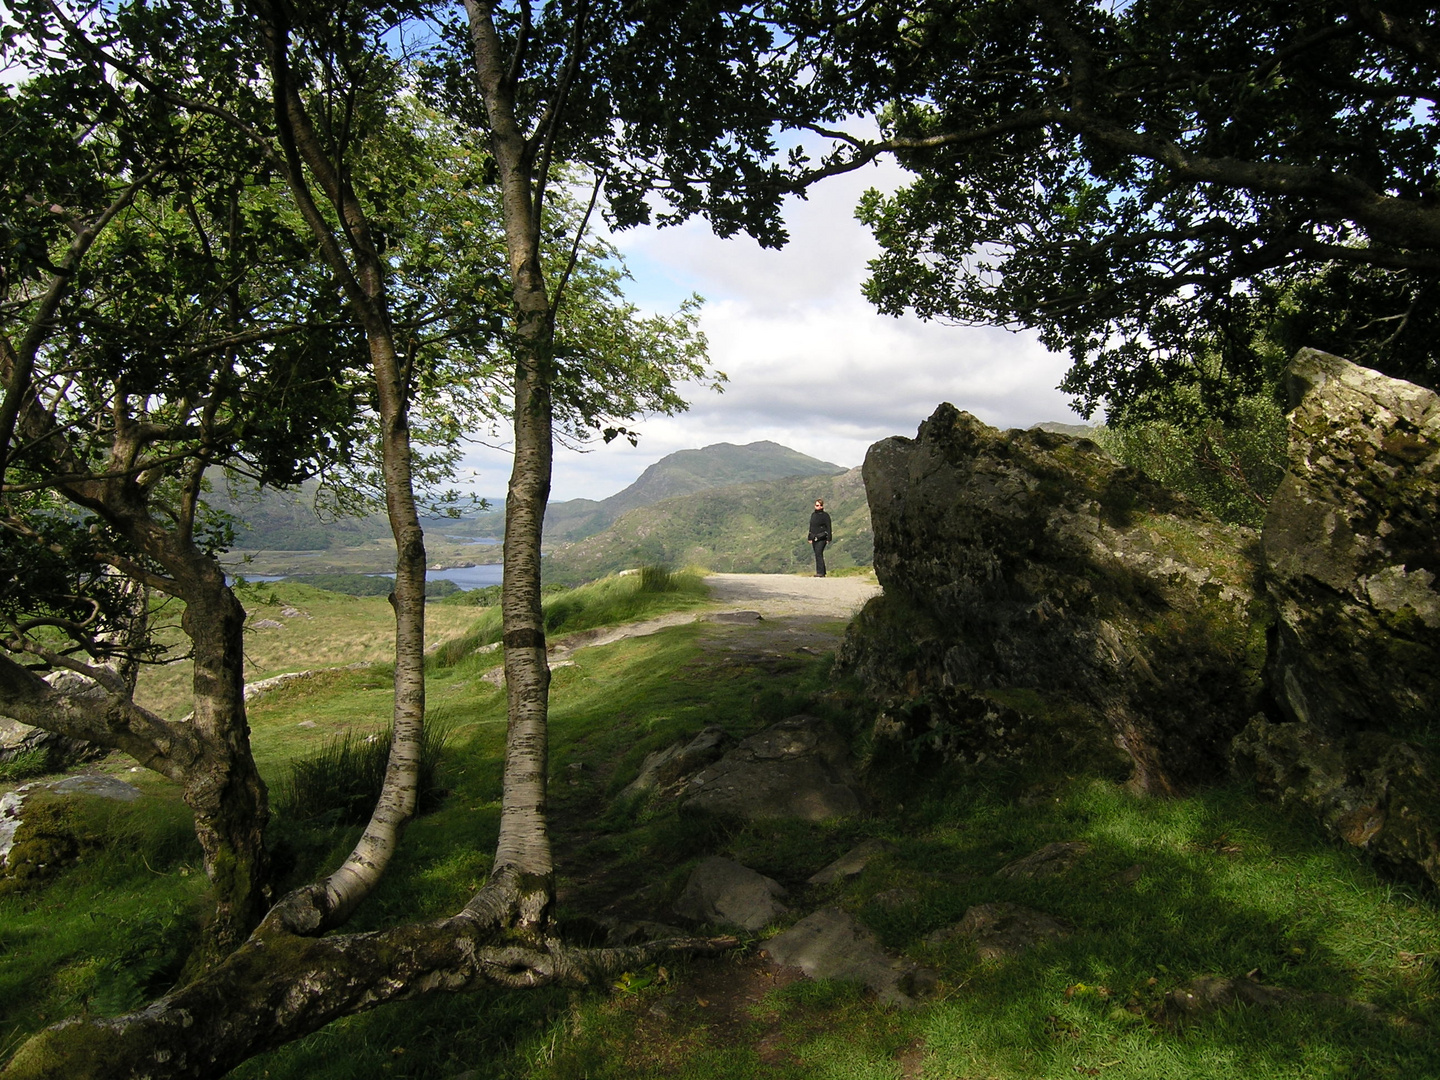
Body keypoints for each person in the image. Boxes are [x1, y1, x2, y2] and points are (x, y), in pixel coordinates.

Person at [807, 498, 832, 577]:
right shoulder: (813, 515)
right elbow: (811, 526)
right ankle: (822, 572)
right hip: (814, 537)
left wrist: (829, 538)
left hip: (822, 537)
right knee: (817, 553)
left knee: (818, 553)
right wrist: (809, 537)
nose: (816, 507)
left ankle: (820, 572)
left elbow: (829, 527)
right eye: (815, 505)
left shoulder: (825, 515)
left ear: (821, 506)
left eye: (818, 505)